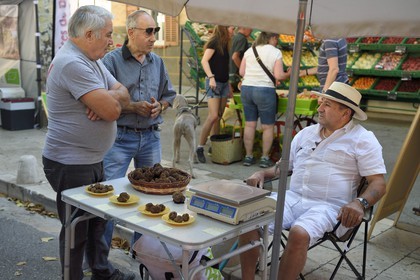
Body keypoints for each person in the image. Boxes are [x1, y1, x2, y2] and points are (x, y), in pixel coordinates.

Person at [238, 82, 387, 280]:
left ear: (346, 113)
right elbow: (284, 167)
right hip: (292, 198)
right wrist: (262, 174)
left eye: (327, 105)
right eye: (321, 102)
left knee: (299, 233)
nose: (319, 109)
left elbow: (378, 183)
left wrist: (360, 203)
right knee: (248, 217)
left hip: (331, 208)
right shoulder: (305, 134)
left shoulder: (363, 139)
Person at [42, 5, 135, 280]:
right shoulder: (72, 62)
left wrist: (109, 97)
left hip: (90, 159)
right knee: (76, 228)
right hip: (70, 162)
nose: (112, 41)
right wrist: (109, 101)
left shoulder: (90, 59)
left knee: (96, 222)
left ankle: (101, 272)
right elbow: (113, 111)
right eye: (108, 34)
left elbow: (124, 95)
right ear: (90, 34)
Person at [101, 10, 176, 246]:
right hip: (120, 138)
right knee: (108, 198)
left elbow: (169, 96)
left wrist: (159, 107)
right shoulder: (111, 61)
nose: (154, 37)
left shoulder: (158, 61)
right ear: (131, 32)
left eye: (156, 31)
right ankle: (98, 261)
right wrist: (133, 107)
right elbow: (102, 101)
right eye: (149, 31)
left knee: (152, 197)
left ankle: (143, 253)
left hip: (151, 138)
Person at [239, 32, 290, 168]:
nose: (277, 41)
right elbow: (279, 75)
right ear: (272, 38)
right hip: (264, 90)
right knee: (267, 127)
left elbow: (242, 72)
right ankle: (264, 157)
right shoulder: (276, 52)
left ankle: (248, 156)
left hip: (247, 88)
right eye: (276, 38)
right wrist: (288, 74)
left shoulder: (250, 50)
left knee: (250, 125)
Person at [196, 25, 233, 163]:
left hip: (223, 84)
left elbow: (223, 65)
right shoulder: (214, 42)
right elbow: (204, 60)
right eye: (231, 28)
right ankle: (200, 147)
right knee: (212, 116)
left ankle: (215, 145)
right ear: (224, 29)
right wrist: (211, 77)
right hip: (214, 82)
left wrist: (228, 84)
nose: (233, 31)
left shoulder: (225, 44)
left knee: (218, 116)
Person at [229, 27, 253, 92]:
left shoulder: (233, 38)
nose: (252, 30)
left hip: (230, 74)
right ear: (244, 27)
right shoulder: (242, 39)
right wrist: (242, 71)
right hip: (237, 76)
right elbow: (235, 57)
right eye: (250, 28)